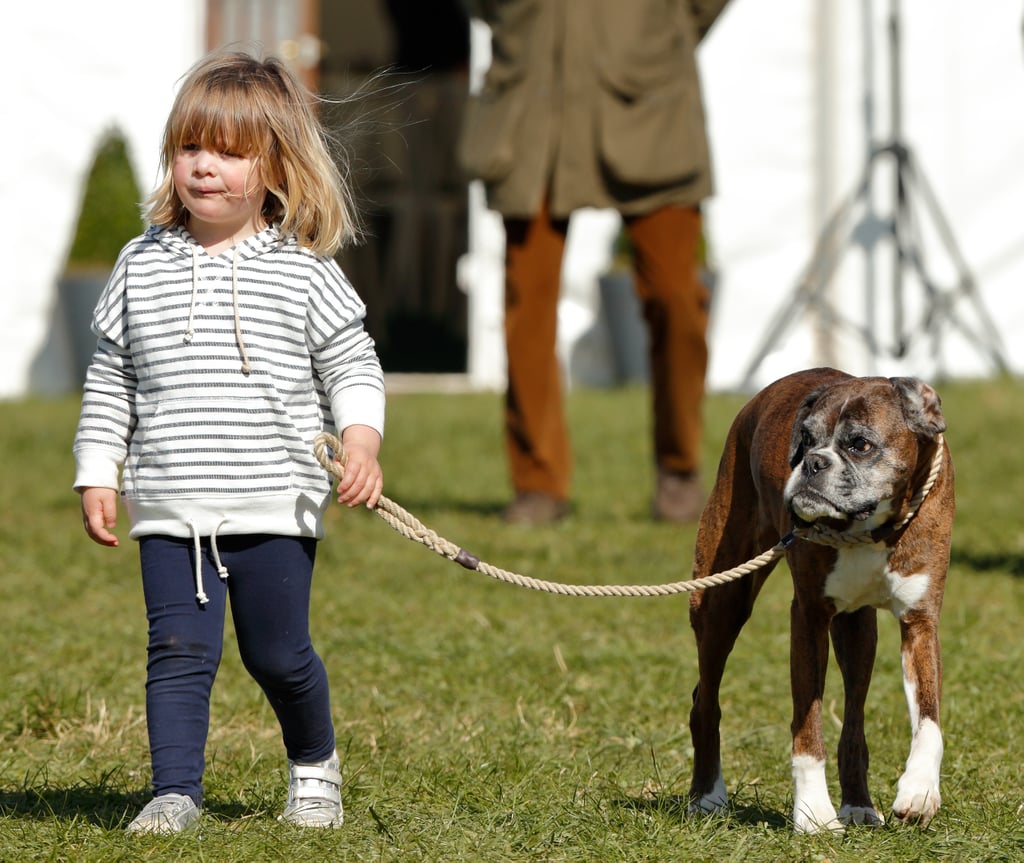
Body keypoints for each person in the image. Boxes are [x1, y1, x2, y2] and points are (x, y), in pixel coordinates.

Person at [72, 51, 385, 834]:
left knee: (277, 654)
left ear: (275, 165)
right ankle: (174, 789)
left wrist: (362, 441)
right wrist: (97, 469)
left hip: (274, 500)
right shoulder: (139, 263)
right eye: (190, 148)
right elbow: (113, 377)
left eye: (230, 151)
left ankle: (314, 768)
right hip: (172, 503)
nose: (204, 167)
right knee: (178, 649)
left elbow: (352, 362)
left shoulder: (302, 268)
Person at [459, 0, 729, 524]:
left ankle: (679, 467)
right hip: (533, 93)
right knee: (527, 303)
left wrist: (659, 29)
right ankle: (538, 482)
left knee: (676, 296)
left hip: (649, 98)